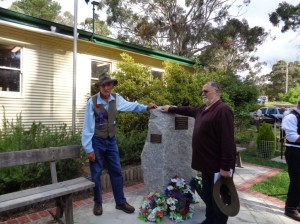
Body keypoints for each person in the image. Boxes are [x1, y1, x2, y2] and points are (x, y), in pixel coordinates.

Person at [82, 73, 157, 216]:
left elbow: (131, 106)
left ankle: (120, 202)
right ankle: (98, 203)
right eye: (103, 85)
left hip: (111, 141)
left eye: (109, 84)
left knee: (116, 171)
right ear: (99, 87)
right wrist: (88, 148)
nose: (106, 87)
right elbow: (87, 127)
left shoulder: (116, 99)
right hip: (97, 141)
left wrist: (145, 108)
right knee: (96, 173)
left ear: (111, 86)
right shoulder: (92, 102)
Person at [161, 81, 236, 224]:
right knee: (209, 195)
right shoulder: (203, 109)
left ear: (217, 92)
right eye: (202, 91)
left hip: (218, 167)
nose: (203, 94)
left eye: (206, 91)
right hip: (207, 165)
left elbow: (228, 141)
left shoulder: (223, 110)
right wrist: (171, 108)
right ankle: (210, 219)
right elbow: (189, 110)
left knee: (219, 198)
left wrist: (226, 167)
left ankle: (218, 221)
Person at [281, 96, 300, 222]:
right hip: (295, 151)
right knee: (297, 180)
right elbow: (292, 137)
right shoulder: (291, 117)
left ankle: (298, 206)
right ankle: (290, 208)